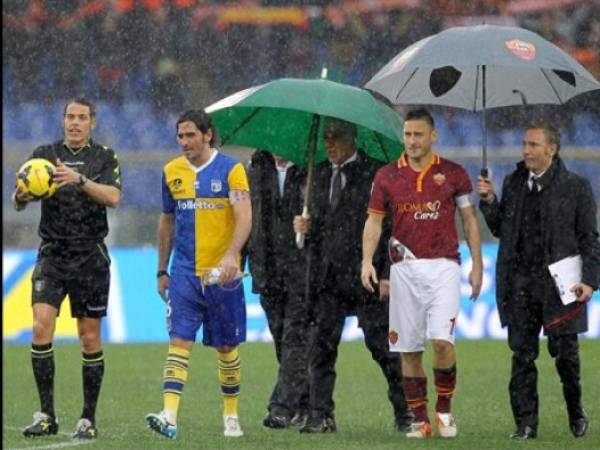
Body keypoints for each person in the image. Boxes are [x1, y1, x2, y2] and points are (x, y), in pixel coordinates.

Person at [361, 108, 483, 439]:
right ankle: (420, 419)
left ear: (433, 136)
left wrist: (478, 264)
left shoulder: (454, 173)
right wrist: (367, 260)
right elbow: (374, 221)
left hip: (444, 267)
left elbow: (469, 219)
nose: (412, 141)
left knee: (442, 343)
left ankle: (443, 409)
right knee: (409, 349)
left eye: (418, 134)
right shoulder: (387, 176)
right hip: (404, 270)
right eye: (407, 134)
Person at [477, 121, 600, 440]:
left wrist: (589, 281)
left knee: (566, 357)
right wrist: (490, 202)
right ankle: (526, 424)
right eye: (524, 144)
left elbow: (589, 239)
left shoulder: (576, 187)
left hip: (561, 287)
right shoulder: (514, 182)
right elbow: (502, 228)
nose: (526, 150)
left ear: (552, 149)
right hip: (520, 284)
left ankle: (575, 410)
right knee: (522, 357)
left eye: (533, 144)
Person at [294, 117, 413, 434]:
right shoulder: (316, 174)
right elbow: (320, 228)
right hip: (327, 278)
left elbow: (393, 228)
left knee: (383, 349)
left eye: (335, 137)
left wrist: (388, 272)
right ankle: (321, 415)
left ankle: (405, 413)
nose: (329, 144)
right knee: (320, 349)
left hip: (367, 274)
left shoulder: (379, 173)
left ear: (353, 138)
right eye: (326, 139)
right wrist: (306, 228)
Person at [12, 97, 122, 439]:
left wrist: (79, 179)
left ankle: (87, 419)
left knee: (89, 338)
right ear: (63, 121)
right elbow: (18, 199)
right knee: (40, 327)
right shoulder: (44, 154)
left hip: (90, 256)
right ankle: (46, 414)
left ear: (93, 122)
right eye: (70, 117)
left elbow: (114, 198)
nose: (75, 123)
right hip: (52, 255)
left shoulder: (104, 157)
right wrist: (22, 196)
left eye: (82, 117)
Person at [145, 110, 252, 439]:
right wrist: (162, 269)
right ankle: (170, 416)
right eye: (180, 136)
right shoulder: (171, 172)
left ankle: (231, 414)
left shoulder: (231, 169)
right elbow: (167, 222)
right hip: (184, 274)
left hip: (221, 275)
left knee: (226, 348)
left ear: (207, 135)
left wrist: (233, 255)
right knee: (178, 341)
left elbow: (244, 216)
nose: (184, 142)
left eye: (190, 135)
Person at [247, 150, 310, 428]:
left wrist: (311, 224)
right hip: (266, 267)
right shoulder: (257, 166)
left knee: (293, 337)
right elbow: (248, 215)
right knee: (281, 337)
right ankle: (304, 404)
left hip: (302, 267)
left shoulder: (311, 168)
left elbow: (329, 211)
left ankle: (281, 406)